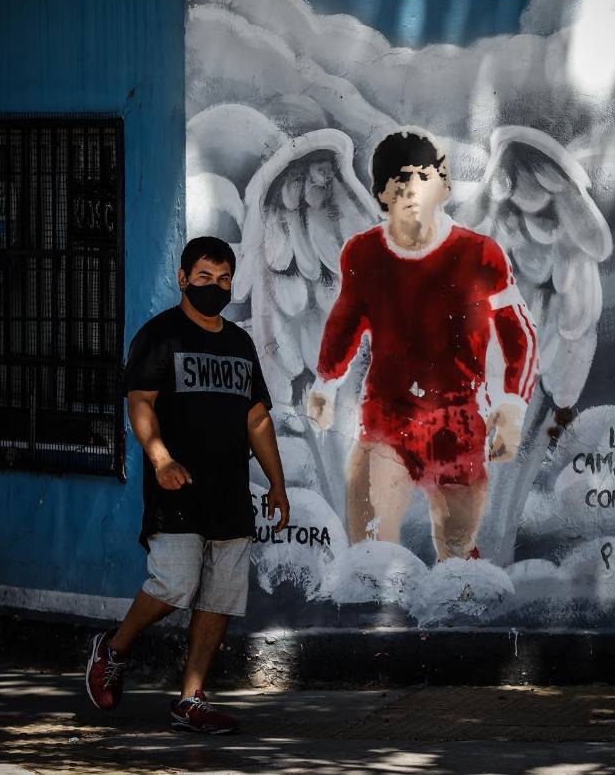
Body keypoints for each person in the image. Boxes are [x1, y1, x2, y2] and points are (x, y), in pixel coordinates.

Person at [86, 236, 290, 735]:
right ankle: (113, 648)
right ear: (182, 278)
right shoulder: (160, 336)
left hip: (230, 494)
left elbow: (257, 418)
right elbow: (140, 403)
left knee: (220, 598)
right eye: (204, 278)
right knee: (174, 584)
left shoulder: (239, 344)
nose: (214, 287)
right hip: (177, 490)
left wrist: (277, 487)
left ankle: (191, 699)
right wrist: (160, 459)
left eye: (223, 280)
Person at [307, 130, 537, 561]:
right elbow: (344, 322)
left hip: (459, 420)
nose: (410, 188)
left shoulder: (480, 253)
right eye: (397, 180)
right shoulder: (362, 253)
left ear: (443, 185)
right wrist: (325, 384)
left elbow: (519, 332)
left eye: (420, 175)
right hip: (386, 419)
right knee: (369, 549)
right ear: (380, 194)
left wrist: (512, 407)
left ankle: (459, 608)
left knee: (458, 556)